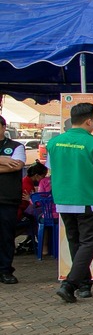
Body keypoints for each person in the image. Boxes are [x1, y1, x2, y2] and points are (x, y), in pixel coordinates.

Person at [46, 103, 93, 302]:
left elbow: (51, 169)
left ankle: (84, 285)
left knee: (75, 242)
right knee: (88, 243)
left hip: (64, 201)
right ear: (89, 120)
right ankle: (70, 284)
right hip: (89, 201)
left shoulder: (54, 143)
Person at [0, 115, 27, 285]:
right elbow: (9, 166)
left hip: (7, 199)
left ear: (3, 127)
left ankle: (4, 270)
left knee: (5, 237)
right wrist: (3, 161)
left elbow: (17, 165)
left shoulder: (16, 146)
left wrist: (8, 161)